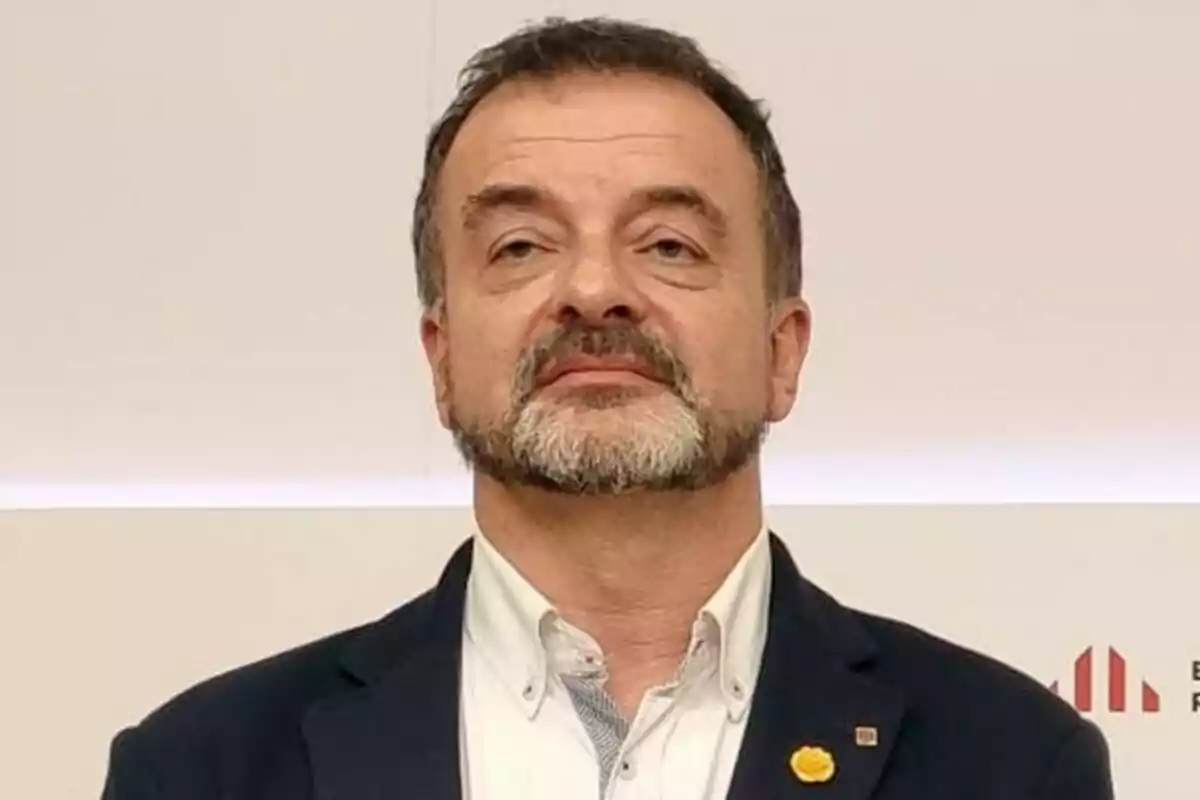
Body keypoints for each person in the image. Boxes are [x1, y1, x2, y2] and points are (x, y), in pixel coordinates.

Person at [102, 16, 1113, 800]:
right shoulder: (207, 767)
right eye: (520, 246)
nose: (594, 289)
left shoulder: (1011, 758)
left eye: (670, 243)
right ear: (441, 356)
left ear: (781, 350)